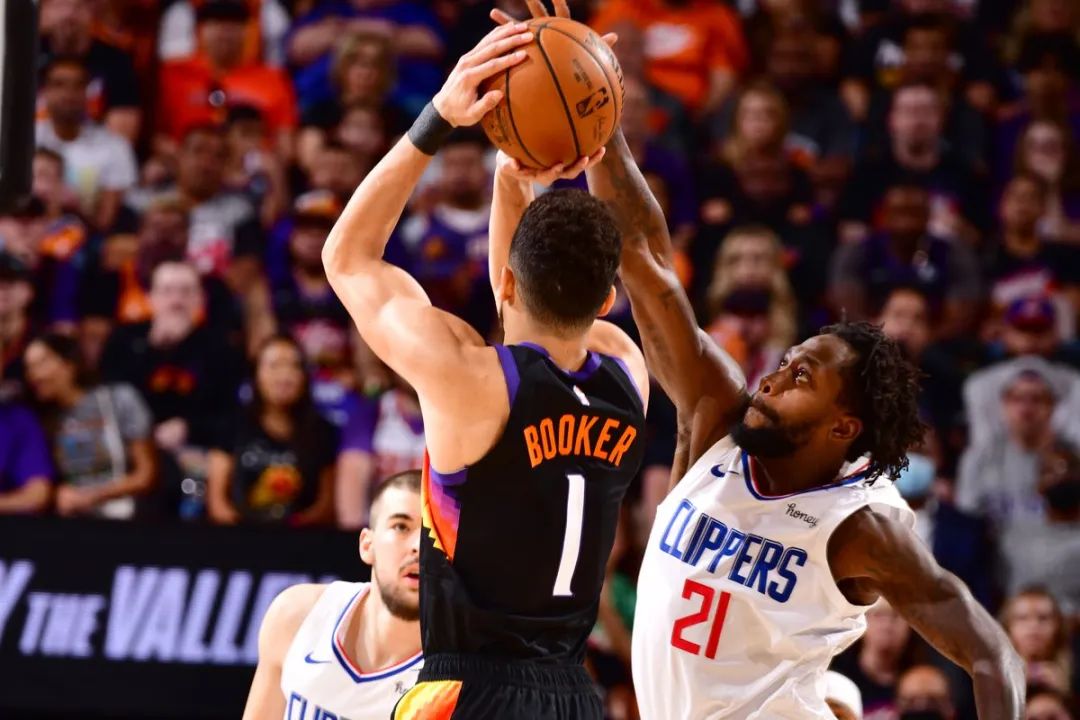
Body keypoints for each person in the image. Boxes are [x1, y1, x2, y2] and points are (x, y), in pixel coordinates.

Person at [490, 3, 1027, 715]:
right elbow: (647, 258)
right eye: (787, 360)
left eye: (802, 376)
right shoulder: (716, 416)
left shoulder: (863, 526)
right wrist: (601, 125)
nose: (773, 377)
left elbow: (992, 655)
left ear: (844, 426)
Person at [322, 15, 649, 718]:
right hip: (571, 695)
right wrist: (513, 175)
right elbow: (525, 315)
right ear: (606, 301)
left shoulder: (468, 379)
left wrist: (440, 116)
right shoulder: (627, 373)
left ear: (505, 285)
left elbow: (345, 258)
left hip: (464, 693)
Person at [242, 470, 423, 719]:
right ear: (367, 545)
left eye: (432, 533)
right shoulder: (297, 613)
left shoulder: (459, 672)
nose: (418, 546)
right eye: (401, 526)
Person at [207, 335, 336, 526]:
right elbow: (217, 503)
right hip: (239, 535)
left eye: (294, 366)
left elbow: (326, 505)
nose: (285, 376)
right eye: (274, 366)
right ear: (256, 374)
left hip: (303, 537)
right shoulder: (232, 425)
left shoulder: (321, 431)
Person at [24, 333, 156, 519]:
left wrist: (92, 497)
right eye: (29, 367)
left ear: (69, 364)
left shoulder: (118, 399)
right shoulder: (44, 421)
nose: (33, 374)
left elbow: (146, 475)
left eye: (41, 363)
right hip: (75, 521)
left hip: (129, 518)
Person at [35, 57, 138, 231]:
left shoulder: (114, 147)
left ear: (88, 93)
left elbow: (105, 222)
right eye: (59, 84)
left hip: (86, 237)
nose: (69, 93)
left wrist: (74, 205)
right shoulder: (22, 141)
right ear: (44, 92)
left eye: (78, 86)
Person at [1002, 588, 1075, 694]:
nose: (1033, 625)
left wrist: (1063, 693)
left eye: (1043, 618)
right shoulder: (990, 674)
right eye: (1022, 618)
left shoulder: (1075, 674)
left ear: (1058, 626)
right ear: (1008, 628)